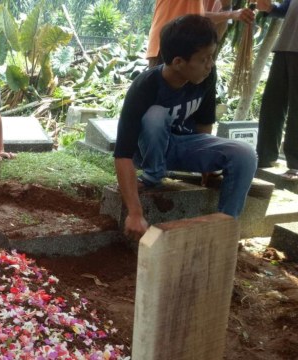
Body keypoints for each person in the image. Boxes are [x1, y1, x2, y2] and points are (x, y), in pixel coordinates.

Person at [114, 14, 257, 241]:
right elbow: (122, 154)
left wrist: (206, 167)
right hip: (150, 149)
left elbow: (203, 123)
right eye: (204, 59)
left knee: (245, 153)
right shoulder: (146, 85)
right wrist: (135, 212)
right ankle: (153, 176)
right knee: (155, 115)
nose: (210, 65)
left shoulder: (206, 76)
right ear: (178, 62)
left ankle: (226, 227)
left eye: (212, 57)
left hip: (184, 145)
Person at [256, 0, 298, 180]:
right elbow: (285, 10)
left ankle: (295, 164)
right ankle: (265, 158)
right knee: (271, 103)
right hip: (285, 47)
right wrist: (270, 7)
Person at [146, 0, 255, 67]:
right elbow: (191, 19)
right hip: (166, 47)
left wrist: (227, 7)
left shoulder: (218, 3)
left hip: (193, 53)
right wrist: (230, 14)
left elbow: (217, 35)